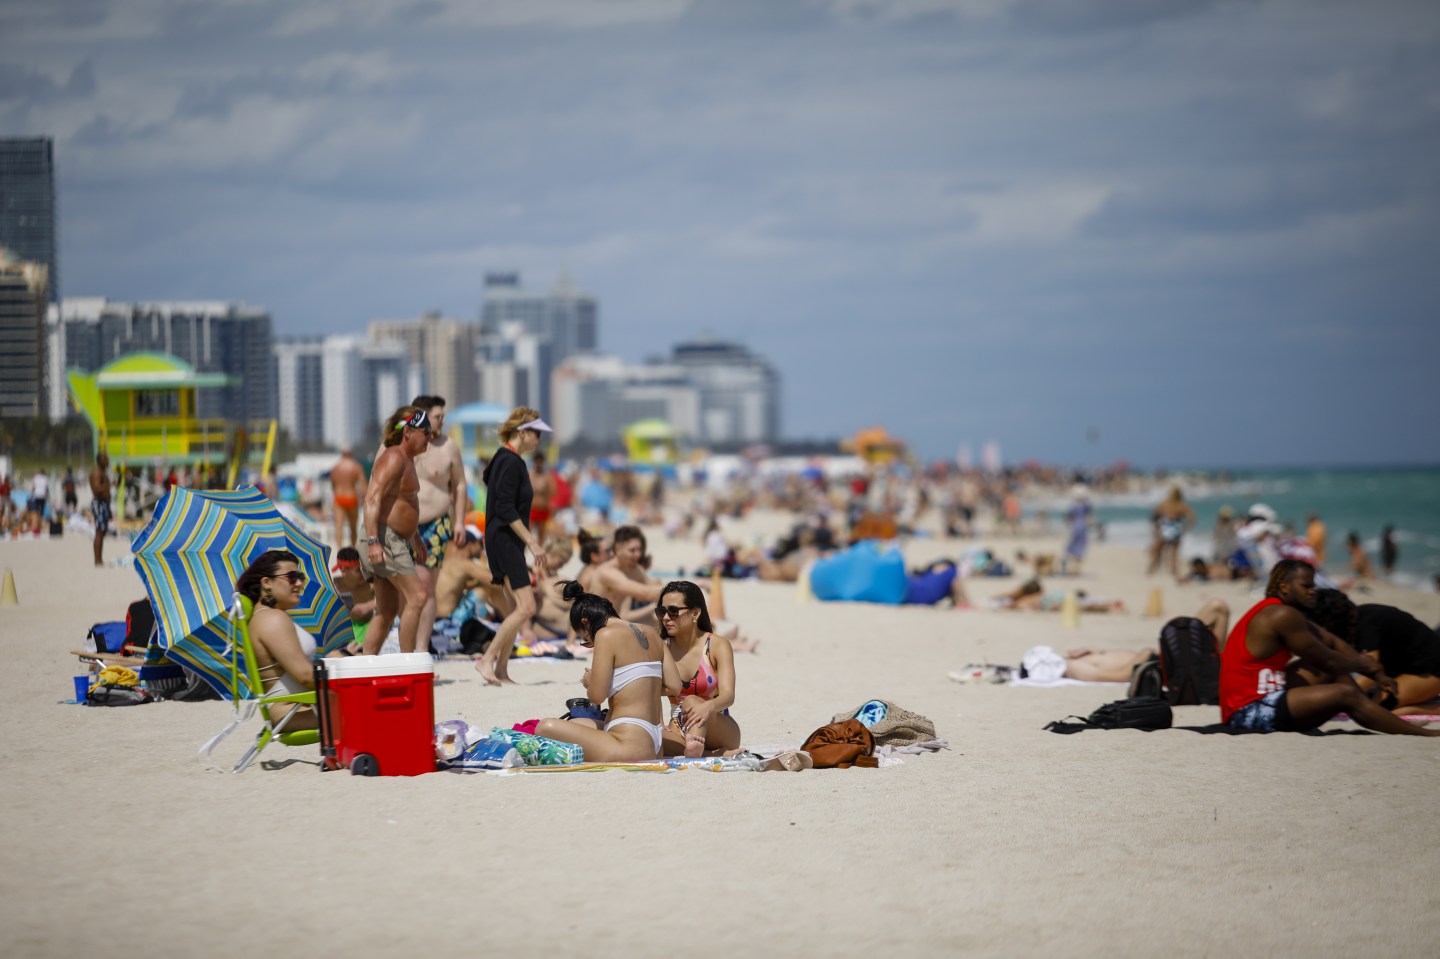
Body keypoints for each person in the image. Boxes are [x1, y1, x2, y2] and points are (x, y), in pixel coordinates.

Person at [1218, 559, 1437, 736]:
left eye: (1313, 585)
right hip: (1248, 712)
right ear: (1284, 587)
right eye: (1306, 586)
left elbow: (1331, 642)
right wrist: (1364, 664)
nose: (1313, 591)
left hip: (1262, 698)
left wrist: (1375, 673)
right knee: (1345, 694)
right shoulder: (1281, 615)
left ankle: (1369, 709)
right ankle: (1419, 733)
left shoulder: (1279, 611)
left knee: (1330, 670)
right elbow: (1329, 659)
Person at [533, 581, 670, 761]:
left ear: (585, 622)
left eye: (586, 640)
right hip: (655, 742)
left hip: (628, 743)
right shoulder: (651, 632)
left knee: (545, 727)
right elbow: (674, 686)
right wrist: (635, 685)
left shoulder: (605, 634)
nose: (591, 644)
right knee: (578, 723)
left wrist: (592, 682)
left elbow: (597, 697)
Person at [474, 406, 552, 685]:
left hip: (500, 540)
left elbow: (487, 481)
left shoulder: (501, 458)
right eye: (536, 435)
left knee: (514, 608)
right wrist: (533, 542)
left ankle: (502, 670)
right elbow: (506, 508)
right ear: (523, 432)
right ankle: (486, 659)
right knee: (527, 608)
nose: (538, 441)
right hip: (506, 541)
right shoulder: (511, 461)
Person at [359, 406, 431, 654]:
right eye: (426, 431)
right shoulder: (393, 457)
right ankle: (409, 665)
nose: (430, 437)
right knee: (418, 596)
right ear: (409, 431)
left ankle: (367, 668)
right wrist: (373, 541)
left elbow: (403, 503)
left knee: (387, 611)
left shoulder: (407, 461)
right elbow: (372, 499)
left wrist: (416, 538)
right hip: (383, 537)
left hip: (396, 539)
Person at [235, 550, 329, 730]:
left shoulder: (266, 616)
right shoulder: (272, 619)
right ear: (266, 582)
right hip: (293, 712)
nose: (300, 583)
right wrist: (351, 681)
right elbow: (305, 676)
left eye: (301, 577)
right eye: (292, 577)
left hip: (297, 708)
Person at [1307, 589, 1440, 713]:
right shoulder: (1351, 623)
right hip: (1400, 669)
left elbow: (1369, 672)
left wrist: (1333, 701)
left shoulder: (1366, 625)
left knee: (1379, 709)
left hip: (1429, 670)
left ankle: (1425, 709)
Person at [408, 396, 468, 655]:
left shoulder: (449, 447)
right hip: (405, 525)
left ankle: (422, 650)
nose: (443, 421)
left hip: (436, 524)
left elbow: (461, 484)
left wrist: (461, 521)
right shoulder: (408, 444)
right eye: (438, 416)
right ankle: (406, 648)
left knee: (426, 587)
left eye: (444, 416)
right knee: (404, 587)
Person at [657, 580, 741, 757]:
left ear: (695, 613)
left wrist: (708, 706)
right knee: (647, 739)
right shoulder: (661, 648)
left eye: (673, 611)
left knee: (692, 702)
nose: (665, 617)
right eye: (662, 611)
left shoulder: (717, 645)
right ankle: (711, 754)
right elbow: (651, 690)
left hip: (718, 726)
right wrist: (659, 723)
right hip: (679, 727)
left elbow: (728, 695)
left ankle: (699, 749)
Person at [1060, 599, 1230, 682]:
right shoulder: (1074, 668)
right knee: (1217, 607)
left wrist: (1091, 650)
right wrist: (1143, 656)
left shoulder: (1075, 660)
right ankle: (1220, 665)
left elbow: (1110, 660)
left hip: (1167, 658)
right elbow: (1120, 676)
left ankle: (1220, 662)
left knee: (1218, 609)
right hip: (1166, 666)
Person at [330, 547, 375, 650]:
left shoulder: (370, 585)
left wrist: (370, 605)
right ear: (343, 570)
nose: (363, 573)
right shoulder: (335, 586)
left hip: (367, 628)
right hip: (344, 631)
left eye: (364, 569)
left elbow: (392, 600)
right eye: (358, 570)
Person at [1148, 486, 1194, 577]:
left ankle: (1153, 567)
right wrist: (1186, 527)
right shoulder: (1182, 505)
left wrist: (1156, 527)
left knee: (1158, 548)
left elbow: (1154, 515)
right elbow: (1192, 518)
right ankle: (1173, 570)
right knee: (1174, 551)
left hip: (1165, 526)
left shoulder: (1164, 503)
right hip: (1176, 527)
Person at [329, 446, 366, 549]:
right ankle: (353, 549)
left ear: (342, 454)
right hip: (352, 497)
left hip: (339, 498)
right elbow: (363, 487)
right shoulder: (356, 466)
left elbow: (333, 486)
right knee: (353, 527)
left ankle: (340, 550)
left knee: (338, 527)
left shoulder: (335, 468)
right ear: (351, 454)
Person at [1061, 484, 1091, 574]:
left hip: (1075, 526)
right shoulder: (1086, 505)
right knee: (1081, 547)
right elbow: (1089, 517)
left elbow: (1069, 517)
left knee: (1071, 545)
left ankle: (1069, 566)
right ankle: (1077, 569)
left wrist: (1067, 525)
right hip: (1083, 526)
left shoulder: (1073, 505)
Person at [89, 452, 112, 567]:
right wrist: (109, 485)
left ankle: (100, 559)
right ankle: (97, 560)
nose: (108, 461)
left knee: (102, 532)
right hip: (99, 503)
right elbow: (96, 490)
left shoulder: (103, 473)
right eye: (105, 459)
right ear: (100, 461)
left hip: (104, 504)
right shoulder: (96, 473)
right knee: (99, 531)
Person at [529, 450, 555, 538]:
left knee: (541, 534)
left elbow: (553, 492)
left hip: (543, 508)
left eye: (540, 462)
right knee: (528, 530)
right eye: (537, 462)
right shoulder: (530, 475)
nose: (539, 464)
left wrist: (544, 490)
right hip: (532, 508)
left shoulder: (547, 476)